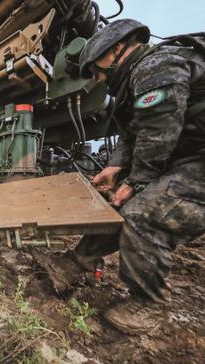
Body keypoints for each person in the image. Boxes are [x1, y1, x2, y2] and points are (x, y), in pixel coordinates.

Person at [33, 19, 205, 334]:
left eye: (97, 70)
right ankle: (76, 263)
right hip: (188, 157)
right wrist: (115, 168)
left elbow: (158, 132)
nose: (97, 79)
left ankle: (150, 303)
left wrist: (134, 183)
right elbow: (133, 135)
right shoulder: (136, 80)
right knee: (117, 205)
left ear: (115, 50)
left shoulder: (156, 66)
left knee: (142, 214)